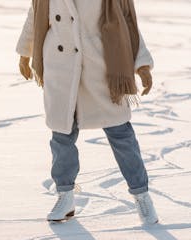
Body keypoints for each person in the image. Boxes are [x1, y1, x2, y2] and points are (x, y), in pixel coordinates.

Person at [16, 0, 158, 225]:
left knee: (121, 134)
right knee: (62, 135)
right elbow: (36, 13)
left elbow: (128, 20)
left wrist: (141, 66)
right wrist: (25, 52)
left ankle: (141, 195)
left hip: (101, 67)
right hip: (61, 66)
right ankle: (65, 197)